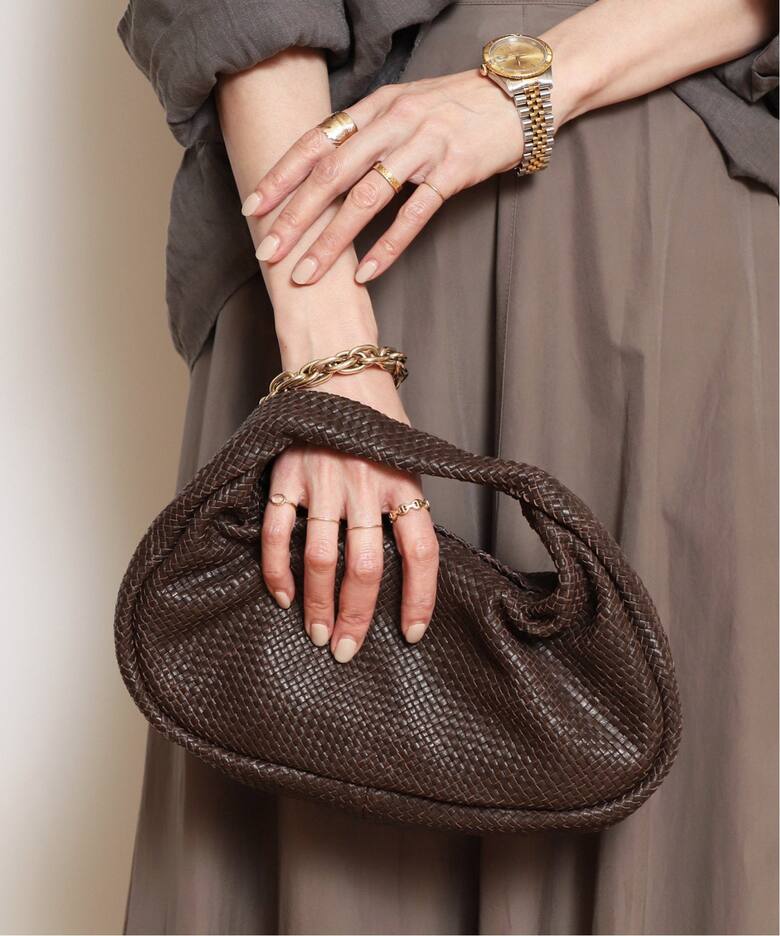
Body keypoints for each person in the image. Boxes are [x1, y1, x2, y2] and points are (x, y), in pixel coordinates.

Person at [118, 0, 778, 932]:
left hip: (680, 245)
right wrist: (331, 357)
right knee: (338, 763)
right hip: (356, 230)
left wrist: (522, 92)